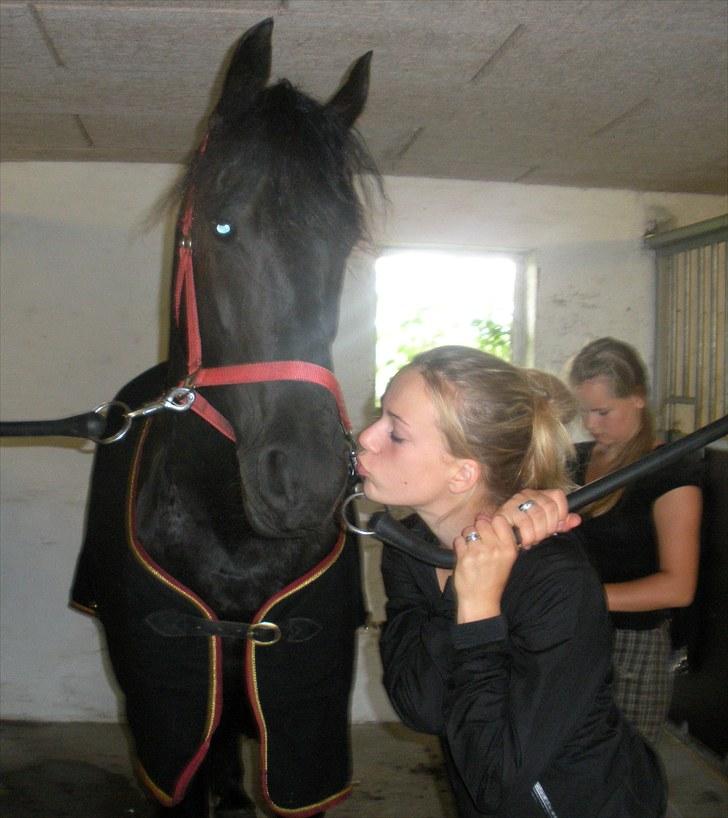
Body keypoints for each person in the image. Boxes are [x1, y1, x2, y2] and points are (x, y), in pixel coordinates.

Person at [357, 345, 667, 818]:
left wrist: (478, 613)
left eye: (396, 433)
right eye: (380, 417)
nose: (366, 437)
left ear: (462, 473)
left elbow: (493, 779)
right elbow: (420, 705)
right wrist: (462, 588)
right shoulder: (411, 548)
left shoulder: (555, 580)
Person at [567, 336, 702, 743]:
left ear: (638, 398)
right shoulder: (573, 459)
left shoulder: (670, 472)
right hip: (575, 634)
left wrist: (583, 596)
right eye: (584, 412)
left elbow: (678, 587)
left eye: (603, 411)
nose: (591, 424)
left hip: (634, 648)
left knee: (624, 773)